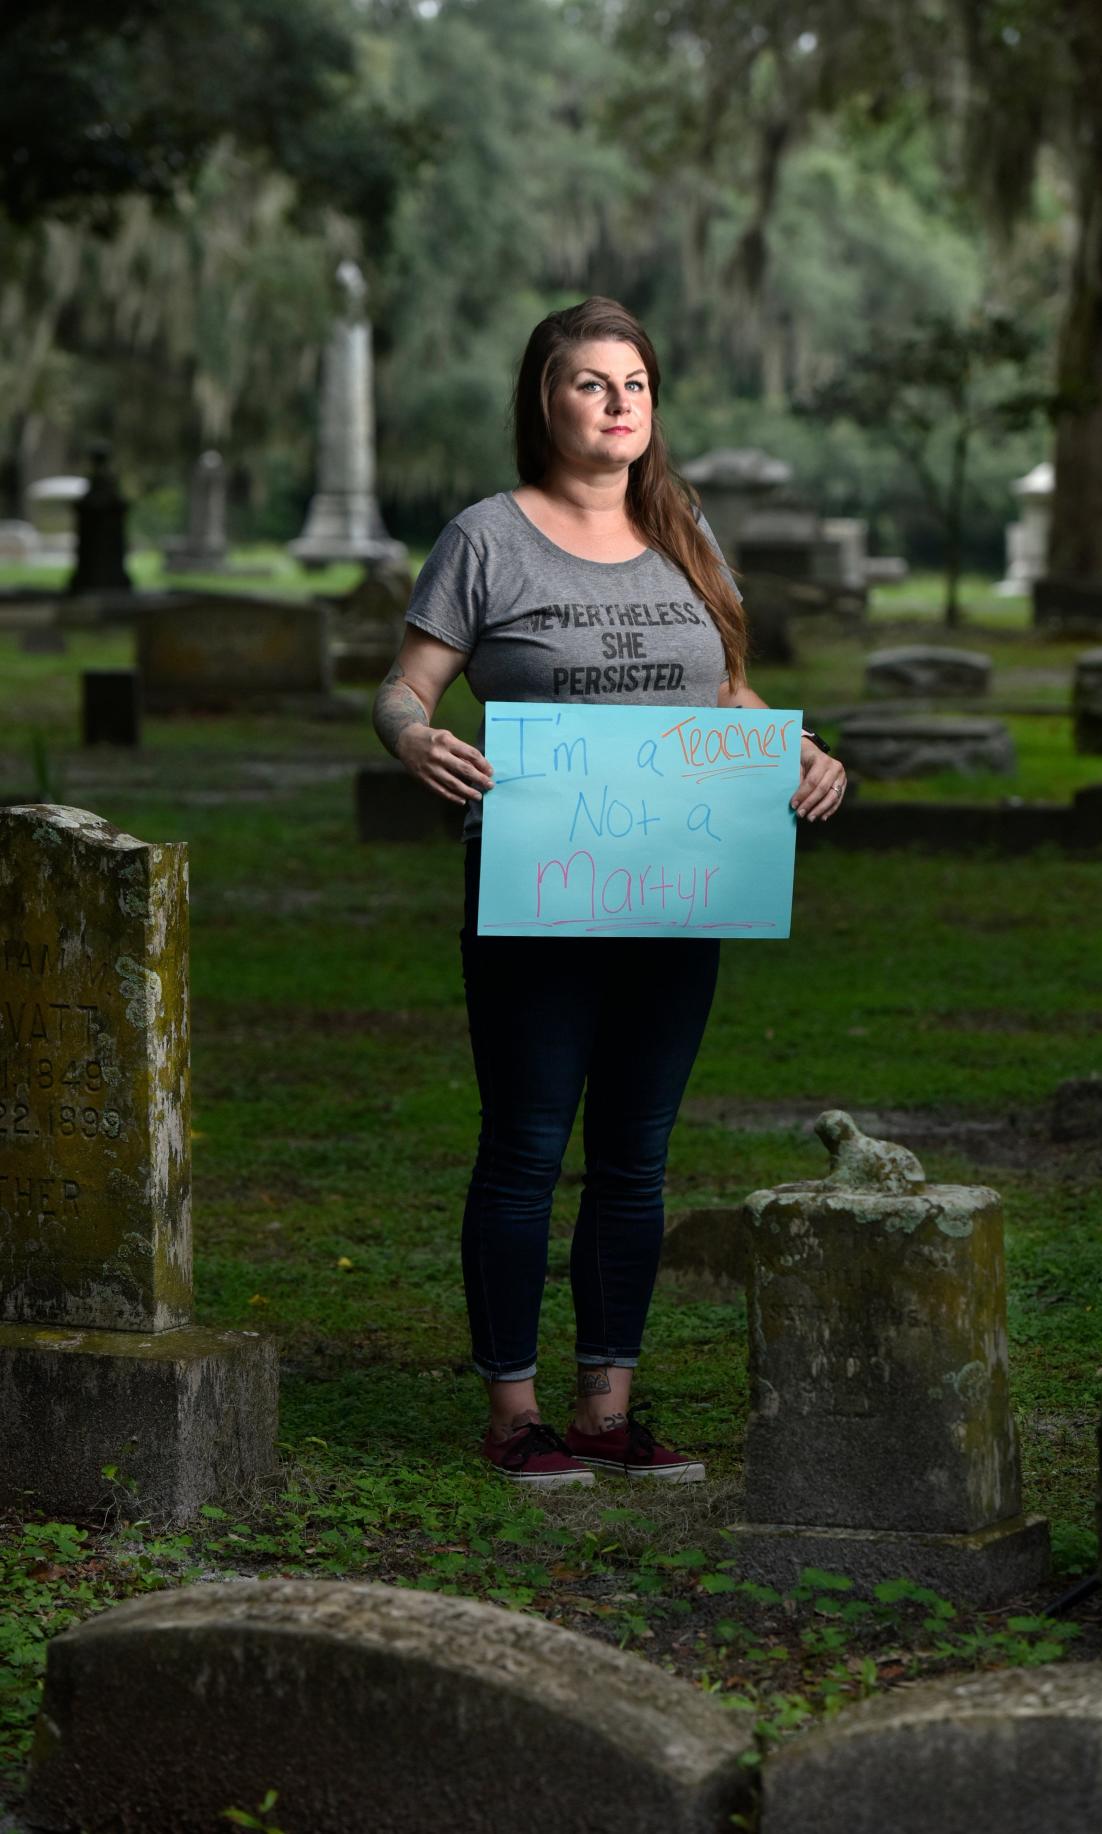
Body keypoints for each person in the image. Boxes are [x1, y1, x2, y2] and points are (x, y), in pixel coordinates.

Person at [372, 297, 847, 1489]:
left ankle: (607, 1406)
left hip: (678, 881)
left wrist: (801, 749)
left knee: (638, 1151)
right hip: (537, 883)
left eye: (635, 383)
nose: (618, 403)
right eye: (591, 382)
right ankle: (515, 1414)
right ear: (546, 399)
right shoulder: (487, 536)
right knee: (528, 1143)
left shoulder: (682, 528)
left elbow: (729, 688)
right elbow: (405, 687)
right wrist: (414, 741)